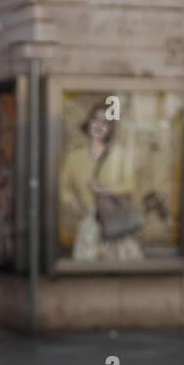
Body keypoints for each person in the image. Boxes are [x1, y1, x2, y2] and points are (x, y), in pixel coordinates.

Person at [59, 101, 143, 261]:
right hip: (89, 222)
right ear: (89, 122)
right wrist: (76, 206)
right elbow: (64, 189)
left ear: (110, 129)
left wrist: (105, 190)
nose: (99, 126)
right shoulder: (74, 158)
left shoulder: (118, 154)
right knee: (86, 266)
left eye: (105, 123)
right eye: (96, 120)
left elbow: (129, 184)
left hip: (114, 222)